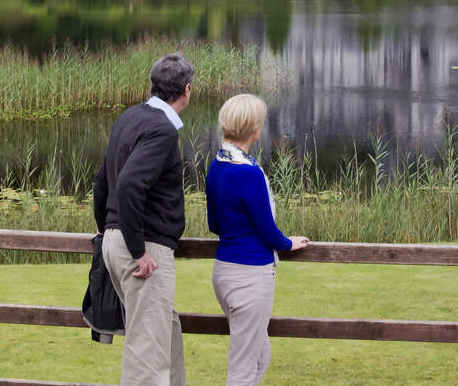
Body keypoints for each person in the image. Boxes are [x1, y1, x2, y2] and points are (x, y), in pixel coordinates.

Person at [94, 51, 195, 386]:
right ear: (187, 91)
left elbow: (101, 182)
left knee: (166, 332)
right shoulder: (162, 130)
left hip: (118, 238)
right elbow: (128, 184)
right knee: (146, 353)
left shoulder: (129, 118)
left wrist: (107, 232)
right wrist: (137, 250)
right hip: (142, 247)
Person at [206, 94, 309, 386]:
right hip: (250, 277)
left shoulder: (217, 165)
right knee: (243, 366)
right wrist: (288, 243)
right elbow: (267, 231)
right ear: (254, 129)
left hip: (224, 273)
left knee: (260, 354)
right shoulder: (249, 173)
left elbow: (214, 224)